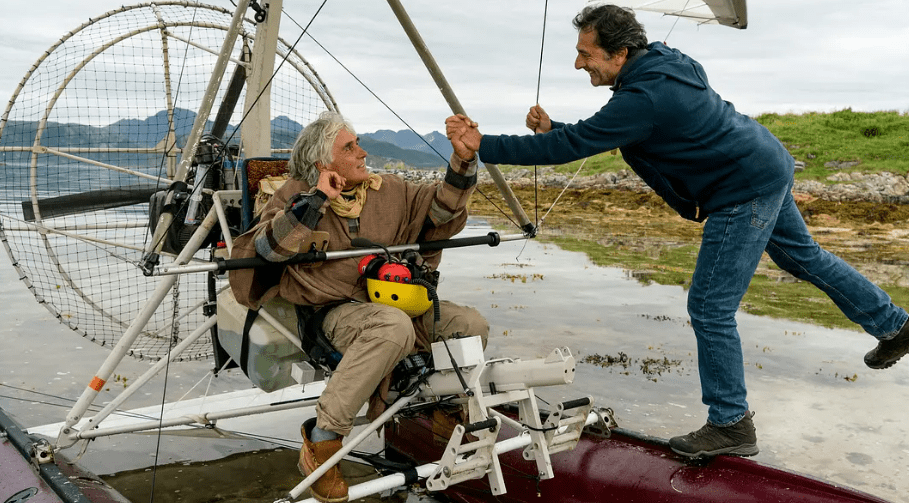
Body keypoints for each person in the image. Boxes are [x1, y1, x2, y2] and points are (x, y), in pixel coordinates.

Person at [446, 4, 909, 459]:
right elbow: (618, 131)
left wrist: (483, 144)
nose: (578, 62)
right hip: (764, 161)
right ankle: (895, 326)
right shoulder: (666, 61)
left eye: (586, 54)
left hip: (742, 187)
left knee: (710, 306)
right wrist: (555, 126)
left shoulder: (642, 98)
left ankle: (730, 423)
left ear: (621, 53)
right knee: (802, 257)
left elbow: (574, 145)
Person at [230, 111, 488, 503]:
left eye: (358, 143)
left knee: (470, 324)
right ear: (322, 162)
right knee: (392, 328)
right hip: (330, 314)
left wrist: (463, 162)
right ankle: (322, 440)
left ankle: (439, 411)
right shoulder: (292, 196)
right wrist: (316, 200)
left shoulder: (391, 190)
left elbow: (442, 211)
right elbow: (267, 249)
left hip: (397, 303)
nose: (362, 152)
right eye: (350, 147)